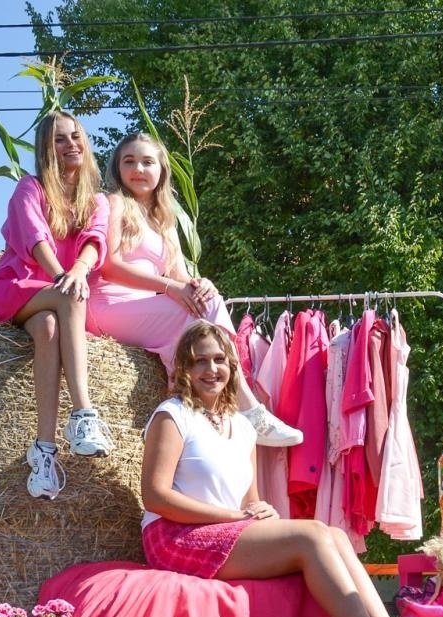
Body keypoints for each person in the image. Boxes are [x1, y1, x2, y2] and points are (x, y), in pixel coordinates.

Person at [140, 321, 395, 617]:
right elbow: (155, 496)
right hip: (174, 535)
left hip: (226, 529)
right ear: (184, 369)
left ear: (232, 367)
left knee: (335, 536)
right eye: (199, 361)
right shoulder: (173, 415)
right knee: (312, 535)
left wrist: (264, 512)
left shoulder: (243, 427)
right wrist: (232, 516)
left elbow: (251, 501)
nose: (211, 369)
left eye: (219, 360)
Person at [87, 131, 300, 447]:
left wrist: (200, 285)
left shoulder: (164, 219)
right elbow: (109, 265)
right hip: (107, 303)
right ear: (117, 168)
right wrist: (171, 287)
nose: (138, 169)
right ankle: (251, 412)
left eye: (147, 162)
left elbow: (180, 275)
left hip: (145, 307)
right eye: (128, 161)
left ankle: (215, 409)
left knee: (208, 300)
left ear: (161, 169)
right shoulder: (113, 202)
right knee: (186, 311)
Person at [0, 111, 114, 500]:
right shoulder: (29, 188)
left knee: (49, 327)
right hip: (17, 286)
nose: (72, 145)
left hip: (55, 297)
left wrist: (77, 272)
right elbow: (34, 240)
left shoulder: (97, 199)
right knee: (68, 297)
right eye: (60, 140)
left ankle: (44, 452)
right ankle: (84, 412)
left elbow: (94, 242)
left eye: (76, 137)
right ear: (47, 150)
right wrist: (62, 278)